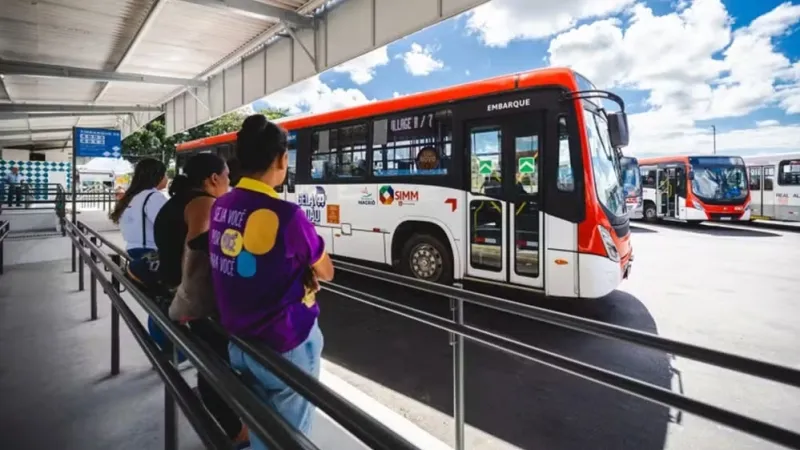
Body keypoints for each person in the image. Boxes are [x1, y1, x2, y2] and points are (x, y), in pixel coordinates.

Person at [209, 114, 334, 449]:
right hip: (286, 345)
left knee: (261, 427)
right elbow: (327, 271)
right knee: (287, 439)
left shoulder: (220, 206)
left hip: (239, 342)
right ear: (281, 159)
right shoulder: (288, 215)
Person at [153, 153, 249, 448]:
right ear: (213, 178)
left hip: (174, 292)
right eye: (227, 175)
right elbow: (200, 251)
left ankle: (233, 424)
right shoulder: (203, 203)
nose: (230, 181)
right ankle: (234, 430)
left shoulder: (177, 201)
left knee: (212, 359)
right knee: (216, 364)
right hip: (194, 301)